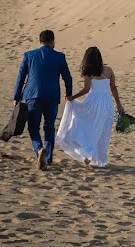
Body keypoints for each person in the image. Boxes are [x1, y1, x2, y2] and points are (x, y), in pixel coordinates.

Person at [13, 29, 73, 171]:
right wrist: (69, 94)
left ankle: (39, 150)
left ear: (39, 42)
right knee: (49, 127)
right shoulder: (59, 57)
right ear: (53, 41)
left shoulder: (29, 55)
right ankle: (48, 158)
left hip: (32, 96)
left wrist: (16, 96)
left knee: (33, 127)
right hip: (52, 97)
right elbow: (68, 77)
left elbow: (21, 77)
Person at [56, 46, 125, 167]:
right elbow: (113, 88)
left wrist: (73, 97)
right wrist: (119, 105)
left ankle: (89, 153)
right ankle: (92, 155)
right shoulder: (109, 70)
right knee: (102, 130)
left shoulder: (88, 72)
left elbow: (87, 89)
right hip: (107, 103)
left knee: (89, 126)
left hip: (93, 101)